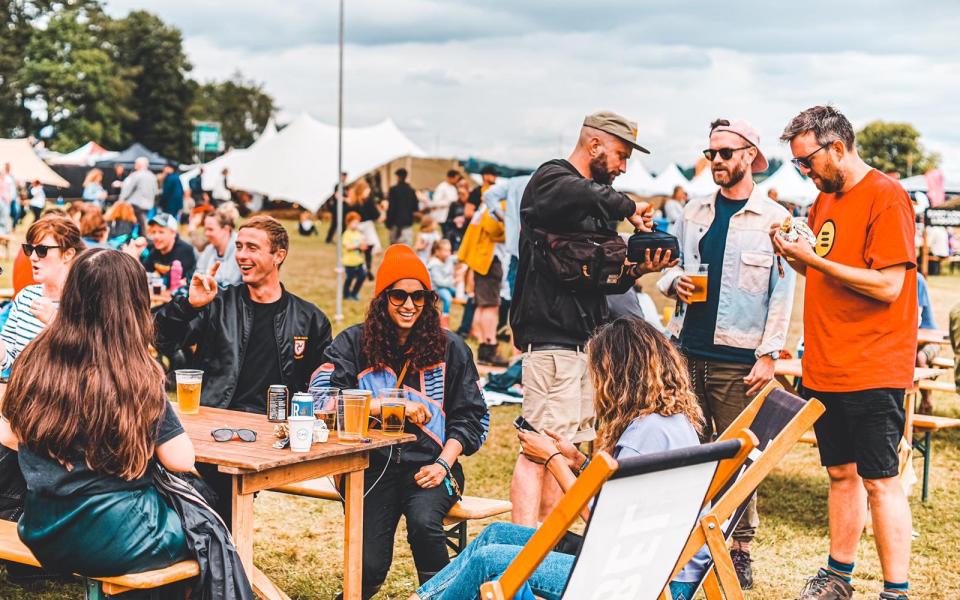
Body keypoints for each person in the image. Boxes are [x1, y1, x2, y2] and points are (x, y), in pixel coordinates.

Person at [412, 317, 710, 600]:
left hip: (644, 580)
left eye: (599, 373)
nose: (596, 382)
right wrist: (579, 462)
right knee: (496, 534)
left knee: (491, 561)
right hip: (649, 563)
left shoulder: (645, 432)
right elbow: (631, 496)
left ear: (620, 375)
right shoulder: (669, 421)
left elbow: (603, 522)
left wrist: (553, 460)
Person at [774, 105, 917, 600]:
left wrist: (813, 260)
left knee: (880, 480)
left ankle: (895, 591)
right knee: (840, 474)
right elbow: (823, 271)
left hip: (873, 365)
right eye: (797, 165)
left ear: (837, 147)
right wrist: (796, 258)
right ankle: (838, 577)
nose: (804, 173)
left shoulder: (886, 196)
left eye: (806, 161)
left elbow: (887, 286)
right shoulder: (823, 201)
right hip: (825, 362)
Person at [509, 110, 676, 527]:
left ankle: (549, 542)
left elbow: (597, 281)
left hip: (585, 342)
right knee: (538, 449)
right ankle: (520, 552)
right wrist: (630, 207)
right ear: (594, 144)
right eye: (621, 155)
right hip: (551, 342)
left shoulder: (596, 199)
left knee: (564, 446)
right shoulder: (551, 180)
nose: (622, 167)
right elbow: (577, 192)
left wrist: (636, 269)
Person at [656, 118, 794, 589]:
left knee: (738, 455)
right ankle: (685, 538)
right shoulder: (693, 211)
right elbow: (669, 266)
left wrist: (770, 354)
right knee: (686, 449)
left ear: (751, 157)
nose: (716, 161)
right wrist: (672, 281)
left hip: (739, 357)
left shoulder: (775, 219)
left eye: (726, 153)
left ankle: (739, 549)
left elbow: (783, 292)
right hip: (685, 350)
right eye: (711, 153)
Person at [0, 248, 197, 577]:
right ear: (133, 305)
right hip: (120, 535)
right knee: (205, 524)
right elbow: (181, 459)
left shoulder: (35, 358)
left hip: (42, 530)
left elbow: (8, 435)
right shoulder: (135, 372)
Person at [314, 243, 488, 598]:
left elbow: (474, 419)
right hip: (370, 467)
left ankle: (443, 595)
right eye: (398, 295)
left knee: (425, 525)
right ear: (382, 299)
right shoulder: (353, 343)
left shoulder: (450, 347)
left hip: (432, 466)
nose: (409, 305)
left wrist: (443, 463)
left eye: (418, 296)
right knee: (370, 565)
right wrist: (381, 405)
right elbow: (319, 401)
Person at [0, 215, 85, 374]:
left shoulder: (85, 301)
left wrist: (53, 321)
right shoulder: (26, 296)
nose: (32, 257)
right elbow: (11, 361)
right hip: (25, 396)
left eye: (41, 250)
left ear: (68, 254)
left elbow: (88, 361)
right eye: (29, 249)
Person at [457, 198, 508, 366]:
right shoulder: (495, 206)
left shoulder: (484, 206)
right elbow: (495, 230)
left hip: (481, 260)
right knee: (491, 306)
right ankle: (489, 347)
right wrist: (509, 224)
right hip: (489, 261)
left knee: (483, 305)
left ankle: (483, 348)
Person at [483, 175, 531, 298]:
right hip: (536, 249)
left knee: (516, 295)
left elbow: (489, 195)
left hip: (516, 247)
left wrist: (504, 218)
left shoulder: (515, 182)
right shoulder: (548, 182)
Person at [134, 213, 198, 292]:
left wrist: (153, 277)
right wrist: (136, 255)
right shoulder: (156, 249)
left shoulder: (185, 250)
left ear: (173, 233)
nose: (156, 236)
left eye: (161, 232)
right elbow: (143, 274)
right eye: (153, 232)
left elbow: (173, 283)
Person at [195, 202, 242, 287]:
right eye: (205, 229)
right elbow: (198, 275)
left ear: (226, 229)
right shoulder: (209, 249)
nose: (206, 233)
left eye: (210, 229)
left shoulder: (240, 251)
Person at [915, 274, 939, 414]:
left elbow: (916, 318)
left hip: (931, 339)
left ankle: (927, 399)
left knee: (920, 357)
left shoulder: (917, 280)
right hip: (915, 340)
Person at [349, 178, 382, 280]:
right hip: (365, 227)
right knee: (368, 249)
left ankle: (361, 270)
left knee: (360, 249)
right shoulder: (367, 201)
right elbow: (376, 215)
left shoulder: (353, 202)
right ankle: (365, 269)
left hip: (357, 227)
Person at [119, 157, 158, 234]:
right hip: (148, 205)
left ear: (139, 164)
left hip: (135, 204)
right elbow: (155, 191)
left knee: (129, 225)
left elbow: (128, 190)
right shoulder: (152, 176)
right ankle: (143, 240)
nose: (134, 165)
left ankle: (129, 240)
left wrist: (121, 200)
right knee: (142, 225)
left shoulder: (136, 175)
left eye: (135, 164)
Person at [387, 168, 419, 245]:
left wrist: (388, 222)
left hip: (395, 221)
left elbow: (391, 207)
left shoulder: (393, 190)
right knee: (406, 246)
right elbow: (415, 207)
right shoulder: (411, 190)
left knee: (394, 245)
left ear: (397, 177)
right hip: (407, 221)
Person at [342, 212, 368, 300]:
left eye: (357, 223)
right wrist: (358, 246)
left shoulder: (359, 234)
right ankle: (346, 295)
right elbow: (348, 247)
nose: (356, 225)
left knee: (363, 276)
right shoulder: (346, 234)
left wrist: (364, 245)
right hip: (349, 262)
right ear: (349, 222)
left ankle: (354, 293)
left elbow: (364, 246)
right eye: (354, 223)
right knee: (349, 279)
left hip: (359, 261)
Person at [428, 239, 456, 316]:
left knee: (459, 294)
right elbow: (439, 282)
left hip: (447, 287)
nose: (448, 253)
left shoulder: (448, 259)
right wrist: (452, 282)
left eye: (449, 250)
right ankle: (445, 316)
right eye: (445, 251)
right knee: (447, 298)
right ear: (437, 252)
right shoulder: (434, 264)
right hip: (437, 288)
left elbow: (458, 258)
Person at [444, 179, 474, 251]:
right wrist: (455, 221)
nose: (461, 196)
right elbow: (447, 221)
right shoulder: (454, 204)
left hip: (468, 234)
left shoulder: (472, 204)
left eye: (463, 194)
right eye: (459, 194)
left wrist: (466, 219)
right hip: (455, 235)